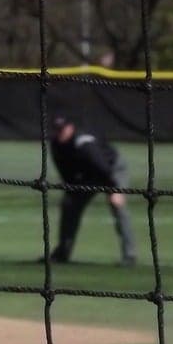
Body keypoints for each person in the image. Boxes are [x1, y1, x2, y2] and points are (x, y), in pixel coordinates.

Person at [46, 114, 137, 266]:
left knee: (117, 206)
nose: (60, 133)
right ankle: (62, 253)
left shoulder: (84, 144)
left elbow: (103, 167)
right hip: (88, 176)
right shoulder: (56, 145)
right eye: (57, 130)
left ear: (71, 128)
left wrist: (115, 190)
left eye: (63, 129)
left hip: (112, 170)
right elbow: (65, 172)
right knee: (69, 205)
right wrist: (71, 191)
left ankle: (129, 256)